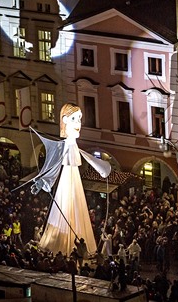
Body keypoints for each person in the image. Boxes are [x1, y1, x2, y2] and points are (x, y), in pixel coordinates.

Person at [32, 103, 111, 256]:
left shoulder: (72, 145)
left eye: (80, 119)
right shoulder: (65, 146)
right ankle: (63, 245)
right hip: (67, 181)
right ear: (65, 120)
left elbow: (84, 155)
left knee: (77, 204)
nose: (78, 124)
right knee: (67, 203)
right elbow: (54, 165)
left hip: (74, 180)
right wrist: (43, 181)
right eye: (74, 119)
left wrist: (102, 167)